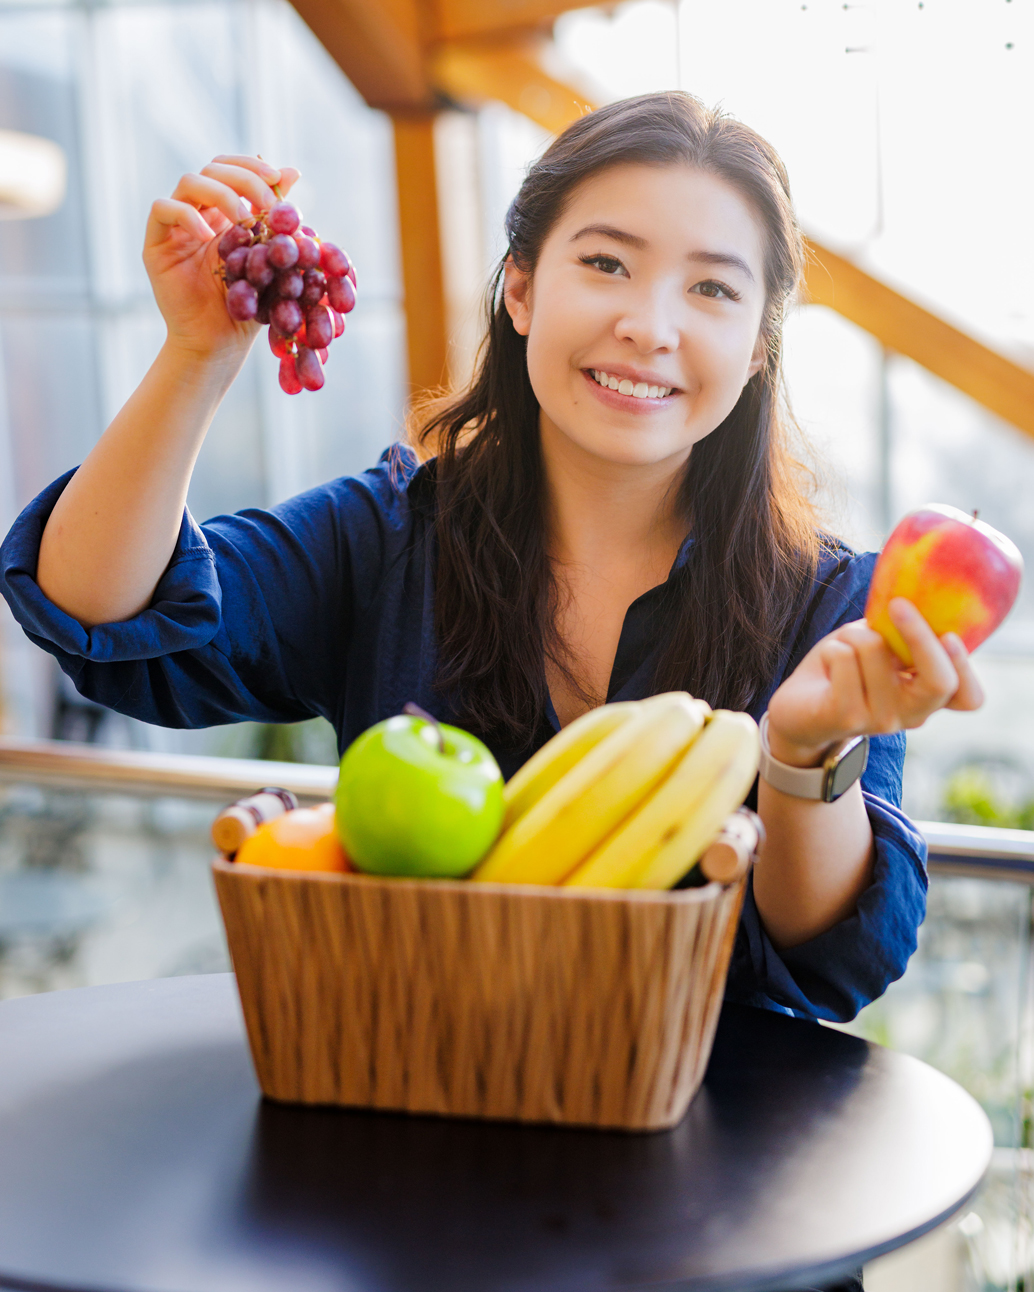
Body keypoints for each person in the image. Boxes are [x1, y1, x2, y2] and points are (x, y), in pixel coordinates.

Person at [2, 97, 976, 1041]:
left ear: (759, 345)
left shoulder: (827, 601)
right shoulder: (386, 535)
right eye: (604, 263)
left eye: (712, 288)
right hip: (391, 1121)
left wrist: (801, 755)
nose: (649, 324)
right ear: (519, 288)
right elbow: (96, 604)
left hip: (698, 1159)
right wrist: (196, 352)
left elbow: (824, 957)